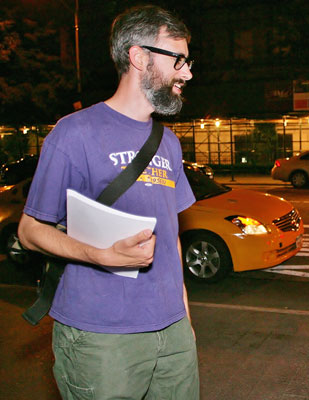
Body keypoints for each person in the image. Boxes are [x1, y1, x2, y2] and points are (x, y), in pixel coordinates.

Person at [17, 5, 200, 399]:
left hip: (173, 334)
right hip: (101, 338)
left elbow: (172, 237)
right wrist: (99, 254)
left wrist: (184, 319)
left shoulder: (168, 141)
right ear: (139, 57)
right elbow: (30, 231)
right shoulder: (74, 134)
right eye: (178, 60)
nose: (186, 73)